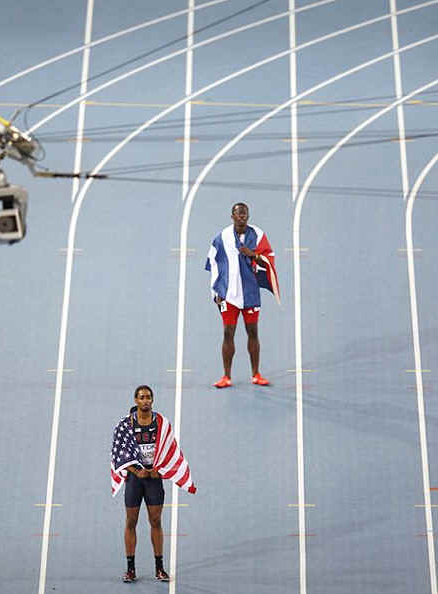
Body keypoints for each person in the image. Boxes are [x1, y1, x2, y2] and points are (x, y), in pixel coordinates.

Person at [110, 385, 197, 583]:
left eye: (148, 397)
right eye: (141, 397)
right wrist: (136, 471)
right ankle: (130, 569)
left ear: (152, 400)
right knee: (131, 521)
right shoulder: (125, 425)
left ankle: (160, 568)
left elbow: (170, 450)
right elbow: (118, 454)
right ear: (135, 400)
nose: (145, 400)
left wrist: (160, 469)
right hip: (135, 479)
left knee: (156, 521)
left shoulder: (161, 423)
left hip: (154, 479)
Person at [205, 202, 280, 389]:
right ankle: (226, 376)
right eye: (238, 214)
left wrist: (253, 254)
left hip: (250, 293)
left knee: (253, 331)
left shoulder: (258, 235)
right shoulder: (222, 237)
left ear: (248, 216)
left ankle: (256, 374)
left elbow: (269, 259)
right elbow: (214, 264)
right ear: (232, 216)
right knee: (228, 333)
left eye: (244, 214)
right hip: (229, 294)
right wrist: (216, 291)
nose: (242, 217)